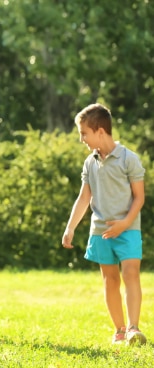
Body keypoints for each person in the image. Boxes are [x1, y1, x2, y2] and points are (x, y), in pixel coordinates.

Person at [62, 103, 146, 346]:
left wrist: (124, 223)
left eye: (84, 133)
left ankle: (133, 327)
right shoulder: (90, 163)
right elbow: (84, 197)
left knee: (131, 273)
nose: (82, 139)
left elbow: (139, 197)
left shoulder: (129, 159)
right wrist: (70, 227)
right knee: (110, 280)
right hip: (100, 232)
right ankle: (119, 330)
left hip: (128, 229)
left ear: (100, 131)